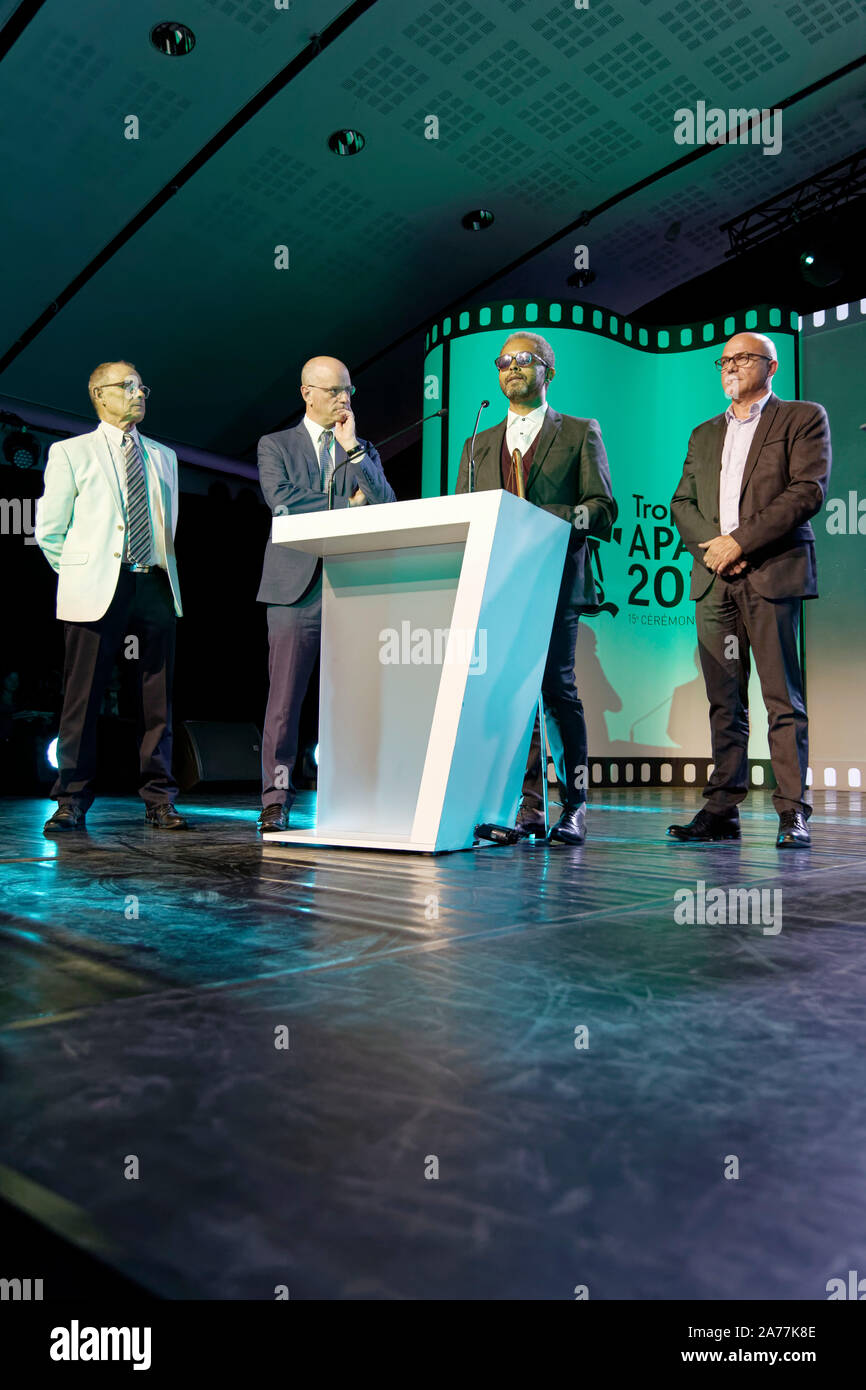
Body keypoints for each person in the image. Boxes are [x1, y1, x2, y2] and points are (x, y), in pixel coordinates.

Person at [668, 332, 831, 847]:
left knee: (782, 698)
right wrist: (715, 549)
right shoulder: (703, 433)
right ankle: (722, 809)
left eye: (743, 358)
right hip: (714, 581)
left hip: (771, 573)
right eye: (725, 360)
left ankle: (792, 811)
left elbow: (806, 491)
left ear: (771, 366)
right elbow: (681, 504)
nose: (731, 366)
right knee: (724, 699)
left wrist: (738, 542)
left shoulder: (802, 417)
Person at [455, 331, 617, 844]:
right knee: (508, 697)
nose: (512, 368)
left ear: (549, 370)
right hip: (497, 587)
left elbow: (603, 508)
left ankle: (573, 805)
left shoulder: (577, 431)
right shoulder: (477, 443)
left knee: (556, 691)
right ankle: (522, 809)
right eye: (504, 362)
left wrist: (556, 516)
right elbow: (462, 516)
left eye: (524, 360)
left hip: (556, 581)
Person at [35, 361, 187, 832]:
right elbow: (50, 531)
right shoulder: (70, 452)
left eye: (142, 385)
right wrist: (85, 574)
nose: (139, 393)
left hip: (153, 583)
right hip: (98, 587)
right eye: (128, 386)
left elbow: (169, 524)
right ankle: (72, 798)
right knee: (84, 696)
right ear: (100, 394)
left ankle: (159, 798)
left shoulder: (164, 455)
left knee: (156, 699)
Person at [256, 356, 395, 832]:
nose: (343, 399)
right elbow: (282, 501)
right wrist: (346, 505)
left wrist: (352, 449)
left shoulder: (361, 449)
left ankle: (356, 795)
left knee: (356, 698)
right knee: (284, 702)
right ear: (306, 393)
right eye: (334, 391)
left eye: (348, 391)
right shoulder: (274, 444)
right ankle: (276, 799)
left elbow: (387, 506)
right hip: (294, 591)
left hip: (351, 588)